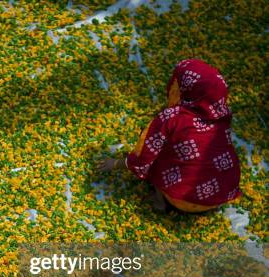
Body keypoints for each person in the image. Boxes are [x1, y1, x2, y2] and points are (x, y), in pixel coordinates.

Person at [98, 59, 241, 212]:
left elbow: (144, 157)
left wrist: (116, 163)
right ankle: (204, 205)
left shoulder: (172, 117)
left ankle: (160, 202)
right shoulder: (222, 115)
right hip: (221, 195)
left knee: (156, 151)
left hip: (182, 199)